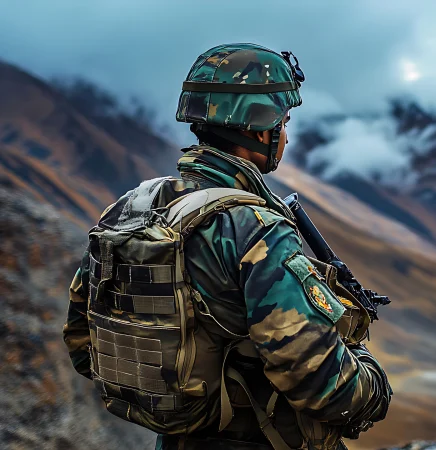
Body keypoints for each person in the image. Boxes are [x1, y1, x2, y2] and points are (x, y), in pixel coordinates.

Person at [62, 43, 392, 450]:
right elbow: (322, 385)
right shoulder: (257, 230)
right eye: (284, 122)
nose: (285, 136)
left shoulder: (131, 208)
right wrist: (374, 383)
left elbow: (83, 343)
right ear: (258, 128)